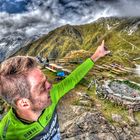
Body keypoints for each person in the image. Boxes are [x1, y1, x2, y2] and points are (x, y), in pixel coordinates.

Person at [0, 40, 110, 140]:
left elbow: (72, 80)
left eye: (46, 80)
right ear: (24, 103)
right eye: (42, 87)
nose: (50, 86)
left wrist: (97, 55)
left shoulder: (52, 94)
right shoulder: (7, 134)